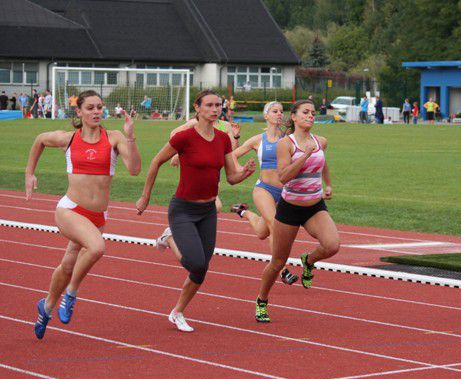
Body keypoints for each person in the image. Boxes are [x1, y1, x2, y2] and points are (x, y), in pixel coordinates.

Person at [135, 90, 256, 332]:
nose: (215, 109)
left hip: (208, 210)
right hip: (183, 209)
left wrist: (245, 174)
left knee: (202, 268)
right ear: (197, 108)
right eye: (209, 105)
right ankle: (169, 238)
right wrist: (145, 196)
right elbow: (156, 162)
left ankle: (177, 311)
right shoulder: (184, 137)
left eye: (218, 105)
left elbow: (231, 178)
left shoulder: (223, 138)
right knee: (196, 264)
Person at [25, 90, 141, 339]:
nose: (96, 112)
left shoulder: (114, 138)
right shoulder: (68, 139)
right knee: (97, 248)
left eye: (100, 107)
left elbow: (134, 170)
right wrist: (29, 173)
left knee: (68, 265)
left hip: (98, 215)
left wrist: (130, 138)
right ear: (79, 112)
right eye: (90, 108)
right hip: (70, 209)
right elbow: (39, 140)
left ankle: (45, 307)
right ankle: (71, 294)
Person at [255, 99, 339, 323]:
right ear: (294, 117)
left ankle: (308, 261)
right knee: (278, 261)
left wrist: (327, 184)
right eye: (305, 112)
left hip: (314, 206)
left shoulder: (320, 141)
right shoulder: (286, 144)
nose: (311, 115)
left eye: (312, 112)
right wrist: (304, 155)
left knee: (332, 245)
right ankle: (262, 300)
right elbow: (283, 176)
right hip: (290, 207)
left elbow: (323, 164)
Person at [230, 101, 299, 285]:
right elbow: (232, 155)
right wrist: (241, 169)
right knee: (275, 226)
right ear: (266, 116)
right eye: (275, 111)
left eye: (281, 112)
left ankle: (244, 211)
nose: (279, 114)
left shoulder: (289, 139)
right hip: (264, 189)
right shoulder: (257, 140)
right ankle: (282, 269)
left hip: (284, 192)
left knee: (262, 231)